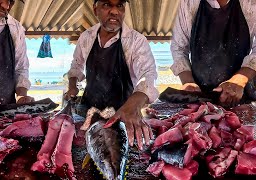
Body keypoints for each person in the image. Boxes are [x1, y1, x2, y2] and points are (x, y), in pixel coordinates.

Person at [65, 0, 159, 150]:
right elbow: (76, 66)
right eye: (107, 5)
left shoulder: (136, 41)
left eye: (120, 5)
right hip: (88, 112)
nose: (115, 11)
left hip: (123, 115)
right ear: (95, 10)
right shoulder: (86, 37)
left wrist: (133, 105)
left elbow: (148, 75)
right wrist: (72, 86)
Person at [171, 0, 256, 107]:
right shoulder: (189, 3)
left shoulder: (251, 3)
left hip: (241, 95)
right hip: (200, 96)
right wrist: (188, 82)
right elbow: (178, 48)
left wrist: (240, 80)